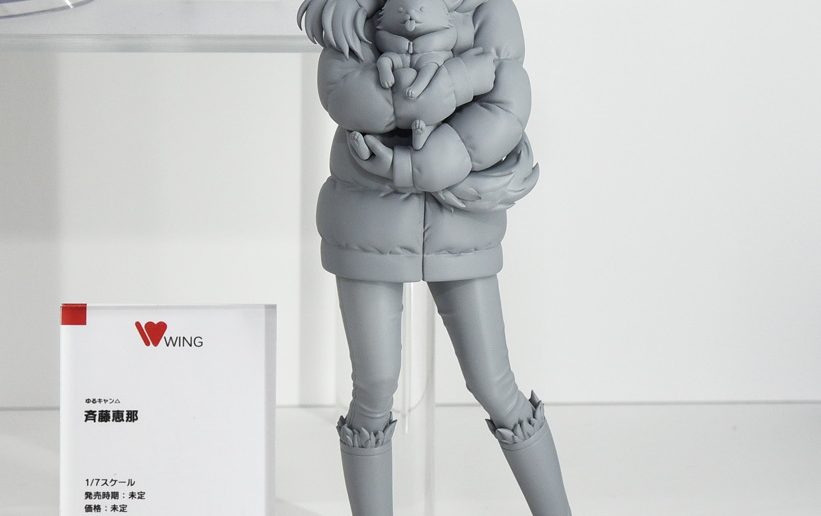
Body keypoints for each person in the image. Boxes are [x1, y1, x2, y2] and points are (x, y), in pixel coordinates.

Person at [298, 0, 573, 514]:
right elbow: (346, 97)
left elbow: (506, 109)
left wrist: (416, 162)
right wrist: (455, 83)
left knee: (495, 383)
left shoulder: (489, 8)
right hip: (367, 220)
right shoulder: (350, 10)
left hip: (461, 219)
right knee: (374, 386)